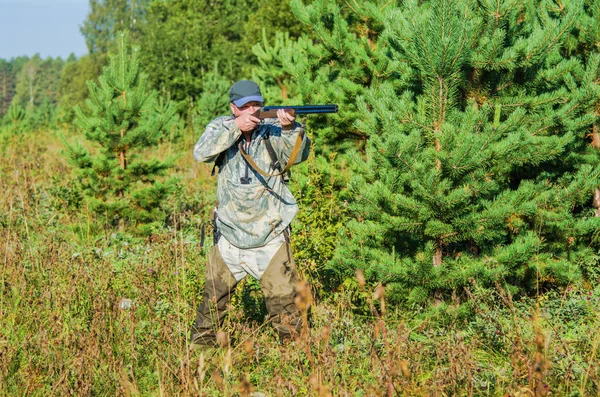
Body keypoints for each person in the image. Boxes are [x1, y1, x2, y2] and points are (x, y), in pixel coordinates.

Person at [190, 80, 311, 348]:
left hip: (270, 237)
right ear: (234, 108)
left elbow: (300, 154)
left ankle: (297, 367)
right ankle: (200, 364)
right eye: (247, 106)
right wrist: (236, 128)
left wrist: (290, 127)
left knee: (285, 309)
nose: (254, 110)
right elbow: (200, 153)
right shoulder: (221, 126)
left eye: (257, 104)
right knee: (211, 307)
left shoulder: (274, 130)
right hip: (230, 237)